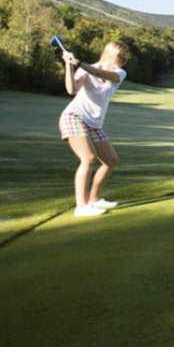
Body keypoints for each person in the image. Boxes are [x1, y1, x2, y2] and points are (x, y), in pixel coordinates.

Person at [58, 40, 130, 217]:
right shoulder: (84, 69)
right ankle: (81, 207)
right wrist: (69, 66)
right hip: (74, 117)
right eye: (123, 58)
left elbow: (101, 73)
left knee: (111, 160)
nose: (124, 62)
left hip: (93, 124)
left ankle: (94, 199)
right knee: (88, 158)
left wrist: (79, 63)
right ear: (113, 55)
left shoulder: (120, 73)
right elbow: (71, 89)